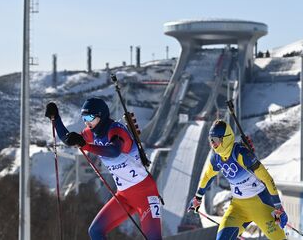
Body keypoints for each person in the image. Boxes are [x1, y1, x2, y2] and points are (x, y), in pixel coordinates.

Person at [45, 98, 162, 240]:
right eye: (84, 118)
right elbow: (68, 139)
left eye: (89, 117)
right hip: (124, 196)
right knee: (95, 231)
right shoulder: (92, 132)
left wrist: (85, 145)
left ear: (101, 116)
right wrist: (56, 118)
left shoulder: (116, 130)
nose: (86, 122)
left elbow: (114, 151)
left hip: (145, 194)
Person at [187, 119, 288, 239]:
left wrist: (278, 206)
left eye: (216, 140)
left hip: (261, 204)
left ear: (226, 138)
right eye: (211, 140)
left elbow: (267, 178)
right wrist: (198, 197)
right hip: (238, 207)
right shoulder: (216, 158)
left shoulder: (241, 154)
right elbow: (208, 175)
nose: (213, 144)